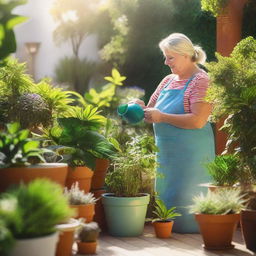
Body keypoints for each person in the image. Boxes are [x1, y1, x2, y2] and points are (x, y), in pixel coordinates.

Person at [132, 33, 215, 233]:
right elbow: (151, 113)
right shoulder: (168, 81)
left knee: (189, 212)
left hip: (192, 158)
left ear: (186, 55)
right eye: (165, 56)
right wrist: (138, 107)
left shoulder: (201, 81)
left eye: (170, 57)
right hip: (167, 157)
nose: (166, 62)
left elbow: (197, 120)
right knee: (168, 206)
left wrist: (163, 117)